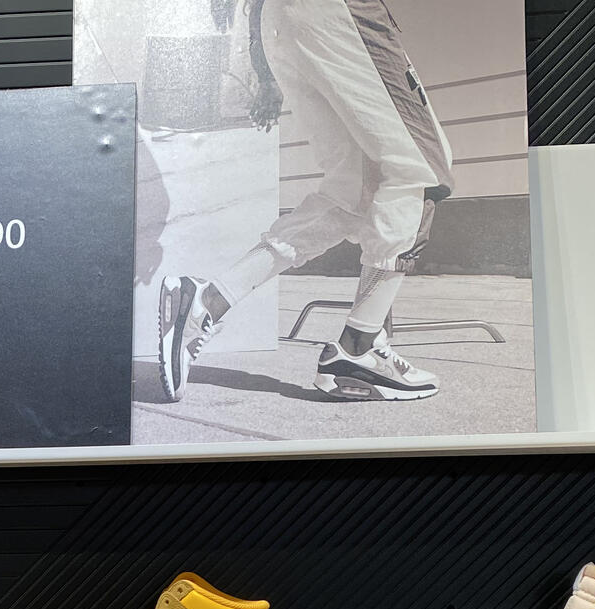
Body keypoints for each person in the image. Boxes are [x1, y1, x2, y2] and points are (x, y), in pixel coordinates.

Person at [157, 0, 454, 403]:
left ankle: (207, 301)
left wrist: (262, 65)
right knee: (420, 171)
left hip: (283, 20)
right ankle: (360, 347)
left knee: (353, 190)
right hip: (340, 13)